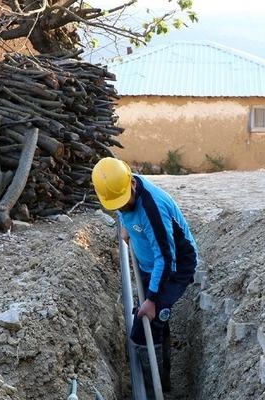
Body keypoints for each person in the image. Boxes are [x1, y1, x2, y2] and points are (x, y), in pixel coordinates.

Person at [91, 157, 198, 391]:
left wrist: (151, 300)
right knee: (158, 320)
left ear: (132, 183)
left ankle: (157, 389)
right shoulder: (119, 194)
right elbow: (123, 211)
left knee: (142, 332)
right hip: (150, 264)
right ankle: (162, 382)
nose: (121, 207)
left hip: (175, 268)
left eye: (123, 202)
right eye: (116, 205)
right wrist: (127, 227)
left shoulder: (152, 208)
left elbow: (166, 258)